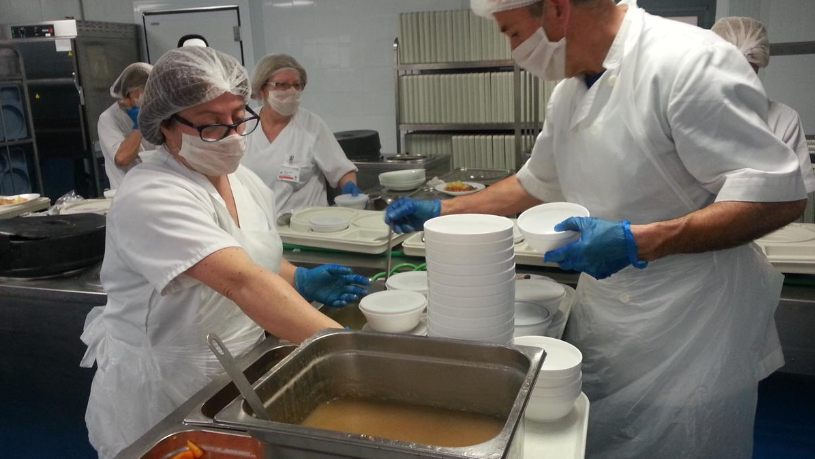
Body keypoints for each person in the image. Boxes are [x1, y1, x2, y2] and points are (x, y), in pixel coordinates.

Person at [386, 1, 807, 457]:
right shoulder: (570, 92)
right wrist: (444, 210)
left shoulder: (688, 61)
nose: (514, 53)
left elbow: (777, 196)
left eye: (512, 33)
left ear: (559, 10)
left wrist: (639, 241)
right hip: (609, 312)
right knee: (599, 436)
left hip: (691, 321)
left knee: (681, 443)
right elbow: (535, 184)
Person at [80, 47, 369, 459]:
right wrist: (356, 356)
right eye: (212, 125)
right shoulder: (152, 193)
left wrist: (297, 277)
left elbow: (252, 261)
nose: (233, 137)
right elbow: (241, 280)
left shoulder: (244, 181)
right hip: (164, 391)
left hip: (238, 373)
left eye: (238, 118)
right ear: (165, 125)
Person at [242, 54, 360, 215]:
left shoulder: (312, 125)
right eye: (281, 85)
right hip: (257, 228)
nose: (291, 91)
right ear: (262, 89)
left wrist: (349, 187)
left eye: (297, 85)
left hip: (304, 229)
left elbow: (341, 170)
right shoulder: (245, 124)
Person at [712, 16, 815, 193]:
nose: (738, 80)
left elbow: (797, 193)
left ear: (758, 67)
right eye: (730, 69)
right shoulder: (687, 113)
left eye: (748, 71)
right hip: (689, 219)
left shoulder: (783, 119)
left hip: (762, 219)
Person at [97, 62, 155, 189]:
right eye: (145, 92)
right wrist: (139, 126)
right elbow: (122, 158)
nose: (149, 97)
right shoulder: (108, 119)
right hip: (127, 191)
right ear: (130, 93)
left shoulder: (153, 112)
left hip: (155, 187)